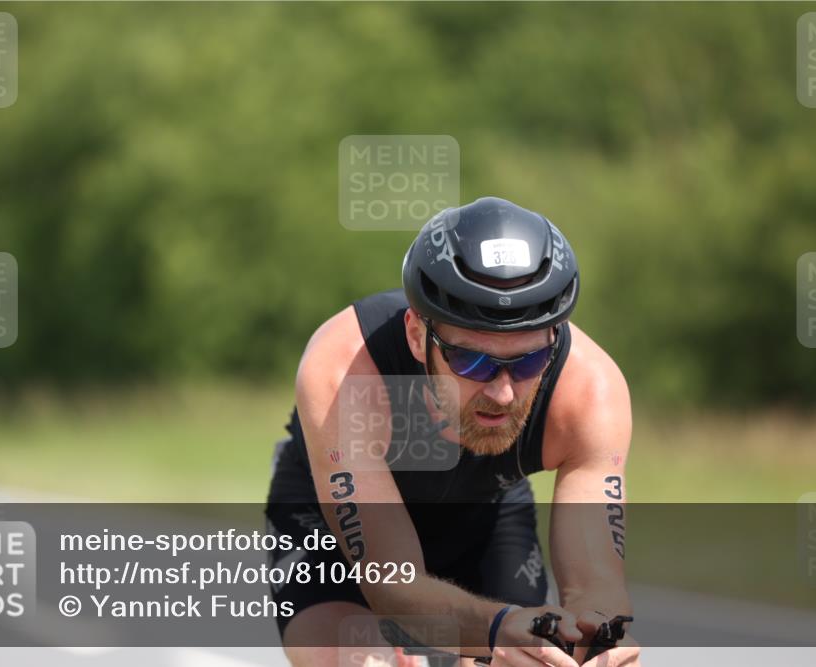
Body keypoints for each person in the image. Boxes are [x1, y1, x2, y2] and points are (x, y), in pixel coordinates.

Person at [266, 197, 639, 666]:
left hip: (483, 514)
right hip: (333, 526)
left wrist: (597, 634)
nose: (503, 392)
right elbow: (392, 584)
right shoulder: (348, 373)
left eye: (529, 361)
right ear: (417, 335)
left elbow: (595, 585)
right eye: (472, 361)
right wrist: (495, 629)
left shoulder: (589, 391)